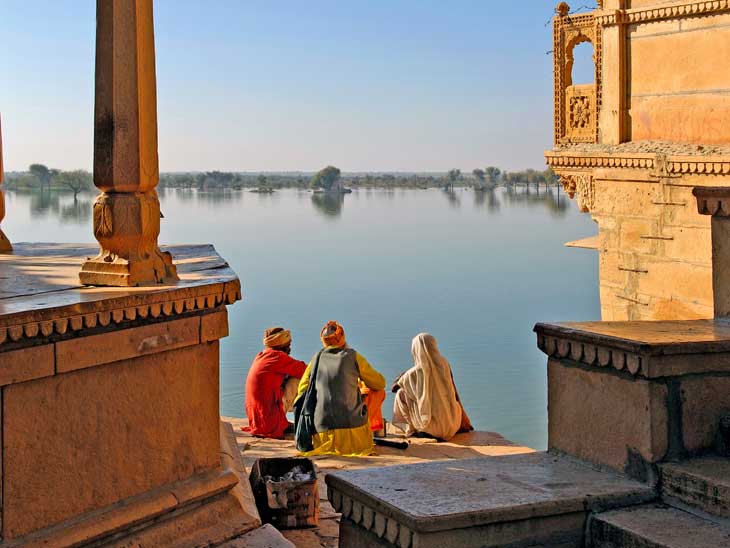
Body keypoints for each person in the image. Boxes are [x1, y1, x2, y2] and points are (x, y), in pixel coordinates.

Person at [295, 321, 386, 456]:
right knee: (378, 392)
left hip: (321, 430)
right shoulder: (353, 356)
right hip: (353, 430)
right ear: (342, 336)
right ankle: (375, 429)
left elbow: (302, 389)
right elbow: (379, 383)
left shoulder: (316, 358)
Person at [392, 333, 473, 441]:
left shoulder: (414, 373)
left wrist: (402, 377)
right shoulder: (444, 363)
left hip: (432, 430)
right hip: (453, 424)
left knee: (401, 394)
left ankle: (411, 430)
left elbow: (394, 388)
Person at [243, 327, 307, 439]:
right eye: (289, 344)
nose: (290, 348)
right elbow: (306, 370)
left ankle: (284, 422)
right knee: (301, 379)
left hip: (256, 421)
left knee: (289, 378)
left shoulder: (262, 355)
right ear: (283, 346)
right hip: (269, 423)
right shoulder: (278, 357)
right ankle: (306, 422)